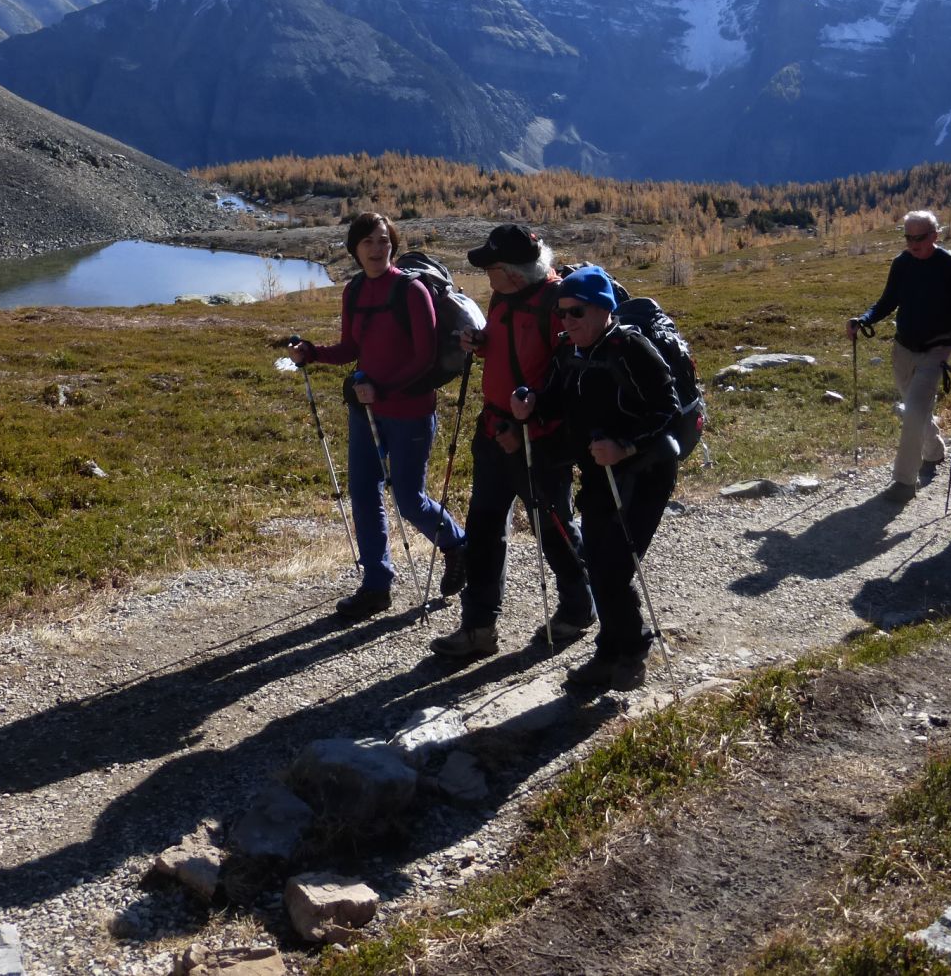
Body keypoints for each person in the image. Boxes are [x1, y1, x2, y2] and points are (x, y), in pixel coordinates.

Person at [287, 212, 466, 619]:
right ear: (355, 248)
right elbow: (351, 347)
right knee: (365, 495)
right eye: (368, 241)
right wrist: (312, 353)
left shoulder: (412, 290)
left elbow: (425, 357)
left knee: (409, 499)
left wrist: (383, 389)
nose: (377, 248)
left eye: (383, 240)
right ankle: (376, 585)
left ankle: (458, 545)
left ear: (393, 245)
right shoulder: (353, 291)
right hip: (366, 409)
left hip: (410, 410)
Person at [430, 225, 594, 659]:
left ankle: (579, 610)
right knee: (484, 532)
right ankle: (478, 628)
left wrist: (530, 427)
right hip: (493, 432)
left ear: (516, 272)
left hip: (534, 442)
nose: (486, 274)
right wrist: (479, 343)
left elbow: (568, 382)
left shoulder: (560, 306)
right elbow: (509, 350)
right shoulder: (505, 296)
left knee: (553, 528)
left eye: (491, 266)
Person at [511, 265, 678, 693]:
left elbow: (668, 410)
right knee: (602, 564)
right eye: (562, 313)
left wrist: (626, 446)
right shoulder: (569, 351)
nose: (567, 321)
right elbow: (556, 402)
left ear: (603, 308)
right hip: (599, 472)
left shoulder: (631, 348)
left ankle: (628, 652)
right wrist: (532, 406)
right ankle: (612, 651)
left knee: (613, 566)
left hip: (644, 472)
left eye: (576, 312)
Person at [847, 210, 951, 503]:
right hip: (903, 347)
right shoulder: (902, 263)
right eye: (908, 237)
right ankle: (934, 450)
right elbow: (888, 300)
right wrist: (864, 320)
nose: (913, 243)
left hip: (938, 348)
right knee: (915, 406)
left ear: (935, 236)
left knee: (914, 410)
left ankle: (904, 482)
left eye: (920, 237)